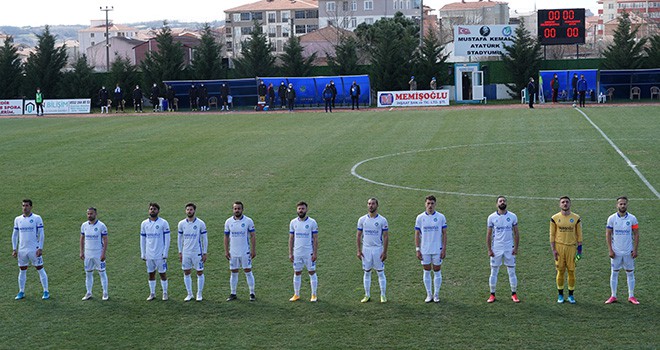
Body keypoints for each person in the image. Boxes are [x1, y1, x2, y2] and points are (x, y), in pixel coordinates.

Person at [604, 197, 640, 305]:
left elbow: (636, 234)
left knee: (630, 273)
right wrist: (610, 249)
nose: (622, 206)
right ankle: (613, 295)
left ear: (627, 205)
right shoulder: (611, 218)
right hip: (616, 252)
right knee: (614, 273)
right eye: (620, 204)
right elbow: (608, 234)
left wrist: (635, 249)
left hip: (628, 251)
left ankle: (631, 296)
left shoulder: (633, 219)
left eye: (624, 204)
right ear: (617, 205)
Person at [12, 199, 50, 300]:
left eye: (27, 205)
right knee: (22, 270)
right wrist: (14, 249)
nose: (25, 208)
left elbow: (41, 234)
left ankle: (46, 291)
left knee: (40, 268)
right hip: (22, 250)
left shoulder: (37, 218)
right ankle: (21, 291)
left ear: (31, 207)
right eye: (23, 205)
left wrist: (40, 247)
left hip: (34, 249)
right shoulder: (18, 219)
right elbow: (15, 235)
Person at [485, 196, 520, 303]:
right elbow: (489, 235)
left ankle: (514, 294)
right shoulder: (491, 217)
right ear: (497, 204)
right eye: (500, 201)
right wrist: (489, 249)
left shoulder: (512, 216)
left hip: (509, 247)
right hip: (497, 248)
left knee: (511, 271)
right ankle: (492, 294)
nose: (502, 202)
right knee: (494, 271)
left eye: (504, 201)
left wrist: (516, 248)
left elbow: (516, 233)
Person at [550, 196, 583, 304]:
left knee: (571, 271)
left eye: (567, 202)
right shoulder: (554, 218)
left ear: (570, 204)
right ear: (560, 204)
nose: (565, 204)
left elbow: (579, 234)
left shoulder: (576, 218)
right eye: (563, 202)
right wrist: (553, 250)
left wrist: (579, 250)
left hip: (571, 248)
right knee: (560, 270)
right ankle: (560, 295)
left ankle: (571, 295)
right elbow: (552, 235)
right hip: (559, 248)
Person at [415, 195, 447, 303]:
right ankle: (429, 294)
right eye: (428, 203)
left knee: (437, 271)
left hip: (437, 249)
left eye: (432, 203)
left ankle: (436, 294)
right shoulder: (420, 218)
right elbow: (417, 234)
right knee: (426, 270)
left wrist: (444, 249)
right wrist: (417, 249)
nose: (430, 206)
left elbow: (444, 234)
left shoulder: (441, 217)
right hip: (425, 250)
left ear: (435, 204)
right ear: (425, 204)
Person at [356, 198, 389, 303]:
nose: (371, 206)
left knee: (380, 272)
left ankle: (383, 295)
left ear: (377, 205)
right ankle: (367, 295)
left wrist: (385, 251)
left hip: (378, 249)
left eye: (373, 204)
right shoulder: (362, 220)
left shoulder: (382, 220)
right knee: (367, 272)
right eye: (369, 204)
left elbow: (386, 237)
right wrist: (358, 250)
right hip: (366, 250)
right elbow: (358, 235)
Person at [224, 201, 257, 302]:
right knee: (233, 272)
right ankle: (233, 293)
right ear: (233, 210)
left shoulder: (248, 221)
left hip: (244, 252)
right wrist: (226, 251)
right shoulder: (228, 222)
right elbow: (226, 237)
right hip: (233, 252)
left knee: (247, 271)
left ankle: (252, 293)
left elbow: (253, 236)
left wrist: (253, 250)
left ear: (242, 209)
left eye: (239, 208)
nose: (237, 210)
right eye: (235, 208)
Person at [288, 201, 319, 302]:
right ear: (297, 210)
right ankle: (296, 294)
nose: (301, 211)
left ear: (306, 210)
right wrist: (290, 253)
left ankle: (313, 295)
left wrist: (315, 253)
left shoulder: (312, 222)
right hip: (297, 253)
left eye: (303, 209)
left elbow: (315, 239)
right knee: (297, 272)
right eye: (299, 209)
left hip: (308, 253)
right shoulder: (293, 222)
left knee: (312, 272)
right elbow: (291, 238)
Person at [140, 202, 171, 301]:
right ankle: (152, 293)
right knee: (151, 274)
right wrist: (143, 253)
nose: (152, 210)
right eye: (151, 209)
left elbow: (167, 239)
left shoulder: (163, 223)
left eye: (154, 209)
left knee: (162, 274)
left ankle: (165, 293)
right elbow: (143, 239)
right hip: (149, 254)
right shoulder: (144, 223)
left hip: (160, 254)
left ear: (158, 211)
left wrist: (165, 252)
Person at [177, 203, 208, 302]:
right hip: (186, 252)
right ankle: (189, 294)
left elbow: (204, 239)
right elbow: (179, 239)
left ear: (194, 211)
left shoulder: (200, 223)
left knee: (199, 272)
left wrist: (205, 252)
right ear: (185, 211)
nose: (189, 211)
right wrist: (180, 251)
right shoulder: (181, 223)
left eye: (191, 210)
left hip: (197, 252)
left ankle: (199, 293)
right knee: (186, 272)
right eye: (187, 210)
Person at [80, 207, 109, 301]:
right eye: (88, 214)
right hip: (88, 254)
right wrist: (81, 251)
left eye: (91, 214)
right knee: (88, 273)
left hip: (98, 254)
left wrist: (103, 253)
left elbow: (105, 240)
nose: (89, 215)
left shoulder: (101, 226)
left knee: (102, 273)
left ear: (96, 214)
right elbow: (82, 239)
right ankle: (88, 292)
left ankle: (105, 293)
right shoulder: (84, 225)